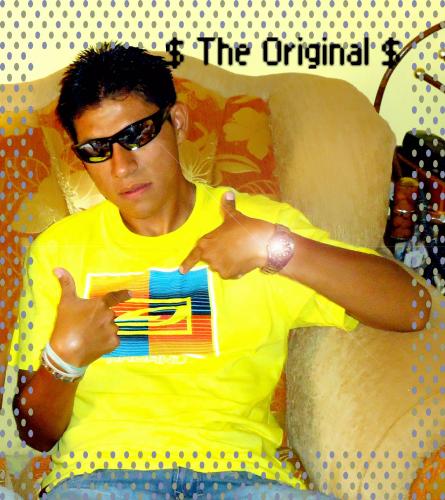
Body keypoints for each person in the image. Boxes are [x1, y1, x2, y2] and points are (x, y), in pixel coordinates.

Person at [11, 42, 430, 499]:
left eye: (136, 135)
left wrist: (277, 250)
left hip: (242, 480)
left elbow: (411, 307)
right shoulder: (59, 251)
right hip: (101, 480)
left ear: (177, 122)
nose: (122, 166)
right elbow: (35, 434)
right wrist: (63, 361)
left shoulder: (257, 224)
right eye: (98, 149)